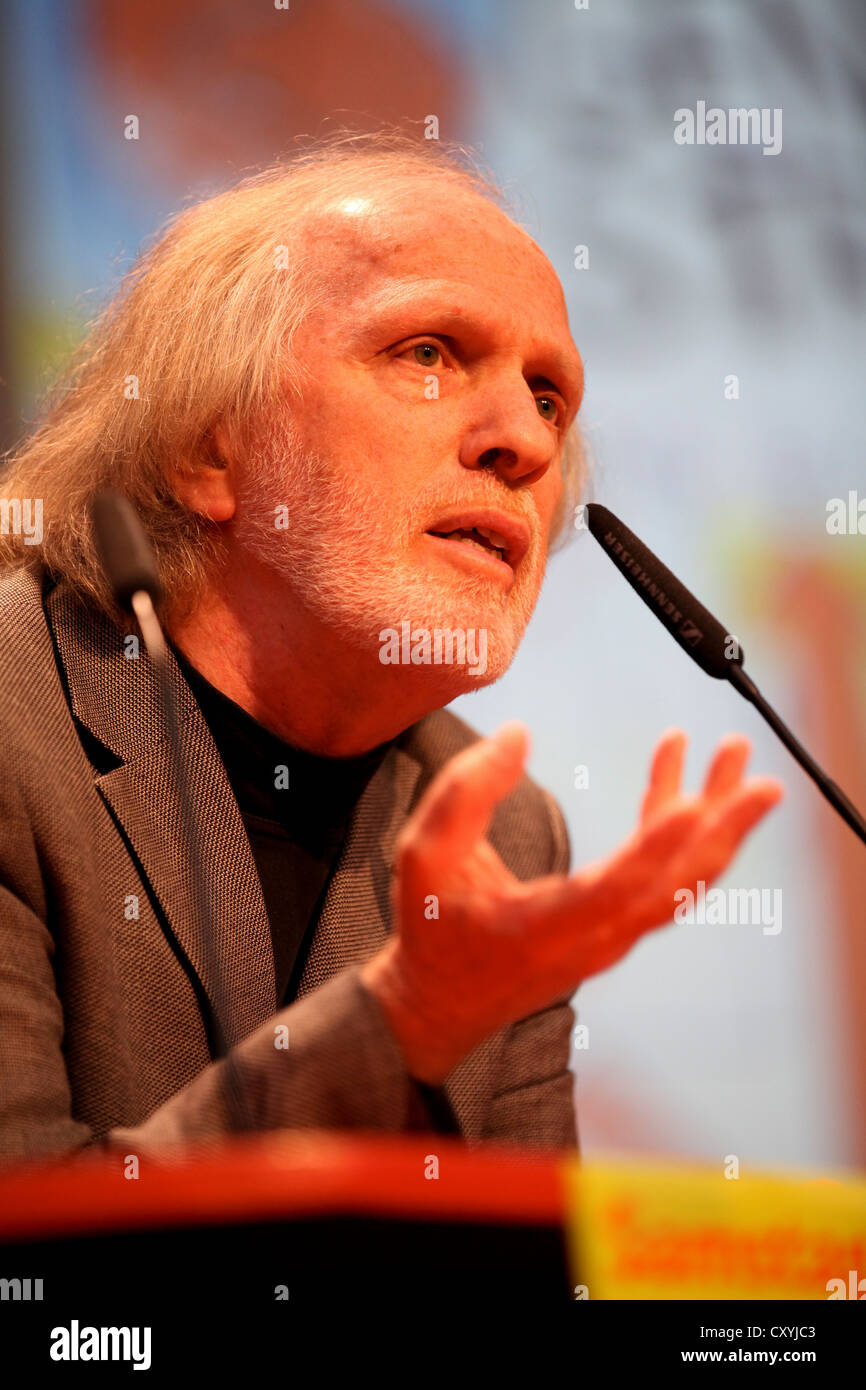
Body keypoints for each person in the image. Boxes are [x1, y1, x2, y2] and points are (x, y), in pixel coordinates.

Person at [0, 132, 783, 1162]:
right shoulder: (17, 727)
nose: (527, 440)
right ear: (207, 446)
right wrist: (396, 1022)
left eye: (549, 396)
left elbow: (513, 1264)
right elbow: (34, 1243)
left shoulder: (503, 832)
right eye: (426, 354)